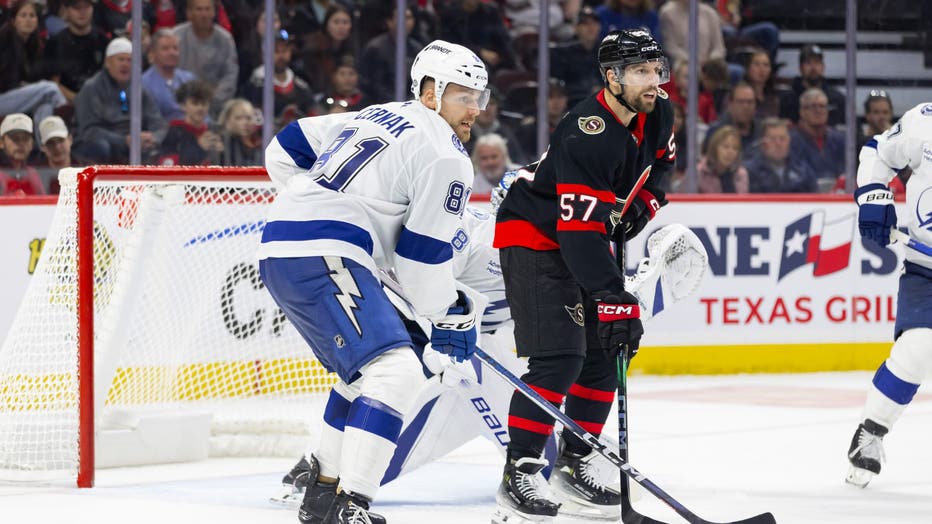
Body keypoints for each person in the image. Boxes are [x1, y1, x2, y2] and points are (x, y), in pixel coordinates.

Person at [256, 39, 490, 523]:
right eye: (463, 96)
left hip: (285, 245)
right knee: (397, 372)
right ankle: (352, 505)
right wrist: (449, 315)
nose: (475, 110)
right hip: (324, 250)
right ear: (430, 93)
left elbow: (283, 149)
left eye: (479, 98)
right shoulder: (447, 156)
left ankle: (322, 492)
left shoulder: (375, 114)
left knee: (365, 374)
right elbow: (420, 260)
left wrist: (322, 207)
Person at [491, 29, 675, 523]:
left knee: (607, 348)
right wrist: (611, 294)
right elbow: (575, 233)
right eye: (639, 71)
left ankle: (575, 461)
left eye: (656, 69)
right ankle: (520, 472)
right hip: (534, 234)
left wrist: (642, 205)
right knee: (559, 357)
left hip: (585, 232)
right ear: (611, 77)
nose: (653, 81)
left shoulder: (659, 112)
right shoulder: (585, 131)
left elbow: (661, 167)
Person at [846, 102, 932, 488]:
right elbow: (877, 152)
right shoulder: (925, 120)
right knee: (918, 347)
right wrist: (874, 196)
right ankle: (871, 433)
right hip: (926, 270)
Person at [72, 37, 167, 164]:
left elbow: (158, 122)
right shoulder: (92, 88)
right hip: (100, 141)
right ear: (107, 62)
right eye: (120, 59)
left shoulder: (138, 89)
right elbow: (89, 131)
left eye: (129, 60)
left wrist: (153, 138)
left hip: (131, 141)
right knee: (101, 147)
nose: (125, 64)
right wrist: (124, 140)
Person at [0, 0, 68, 126]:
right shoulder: (4, 40)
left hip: (17, 96)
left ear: (37, 21)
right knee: (50, 88)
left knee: (45, 105)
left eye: (32, 16)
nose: (28, 20)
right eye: (23, 15)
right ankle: (67, 118)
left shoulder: (33, 45)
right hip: (3, 98)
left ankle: (43, 144)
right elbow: (6, 83)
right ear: (14, 21)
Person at [174, 0, 239, 114]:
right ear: (189, 13)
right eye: (199, 9)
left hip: (216, 106)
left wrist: (211, 101)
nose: (204, 14)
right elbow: (169, 73)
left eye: (207, 9)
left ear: (214, 12)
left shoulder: (225, 39)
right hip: (181, 105)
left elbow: (230, 75)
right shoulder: (176, 36)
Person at [43, 0, 110, 104]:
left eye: (86, 7)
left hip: (99, 101)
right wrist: (78, 100)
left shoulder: (103, 41)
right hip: (65, 102)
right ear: (67, 10)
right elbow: (53, 82)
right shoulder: (55, 43)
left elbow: (109, 78)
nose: (82, 12)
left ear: (93, 9)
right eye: (77, 8)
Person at [789, 87, 845, 191]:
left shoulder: (839, 139)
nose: (819, 111)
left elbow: (845, 171)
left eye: (822, 106)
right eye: (813, 106)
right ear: (802, 111)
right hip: (805, 197)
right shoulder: (791, 140)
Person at [157, 80, 223, 166]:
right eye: (195, 103)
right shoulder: (173, 133)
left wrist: (222, 154)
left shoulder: (213, 132)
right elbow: (167, 166)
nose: (200, 108)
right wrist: (199, 148)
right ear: (183, 106)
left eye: (204, 104)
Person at [779, 44, 846, 127]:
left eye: (817, 62)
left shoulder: (837, 99)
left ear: (823, 67)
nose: (813, 67)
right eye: (808, 63)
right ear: (800, 68)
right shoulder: (787, 100)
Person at [743, 118, 816, 193]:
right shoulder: (749, 171)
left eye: (782, 139)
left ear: (789, 141)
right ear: (763, 143)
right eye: (773, 139)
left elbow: (815, 197)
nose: (778, 144)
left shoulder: (802, 169)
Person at [143, 28, 197, 122]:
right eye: (165, 49)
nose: (172, 53)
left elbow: (203, 112)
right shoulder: (143, 84)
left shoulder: (190, 79)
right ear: (153, 53)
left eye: (175, 48)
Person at [0, 113, 45, 196]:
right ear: (1, 142)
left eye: (25, 139)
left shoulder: (34, 174)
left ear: (31, 144)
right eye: (15, 138)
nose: (21, 143)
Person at [698, 125, 749, 193]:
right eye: (726, 147)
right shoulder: (698, 172)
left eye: (735, 148)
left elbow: (743, 202)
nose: (730, 152)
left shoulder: (741, 174)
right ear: (715, 148)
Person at [36, 115, 77, 193]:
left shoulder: (86, 169)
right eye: (50, 143)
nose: (57, 147)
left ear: (70, 139)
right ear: (42, 147)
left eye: (61, 140)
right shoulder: (36, 174)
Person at [216, 98, 262, 166]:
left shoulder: (259, 143)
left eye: (248, 118)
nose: (245, 122)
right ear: (227, 120)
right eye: (238, 118)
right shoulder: (222, 143)